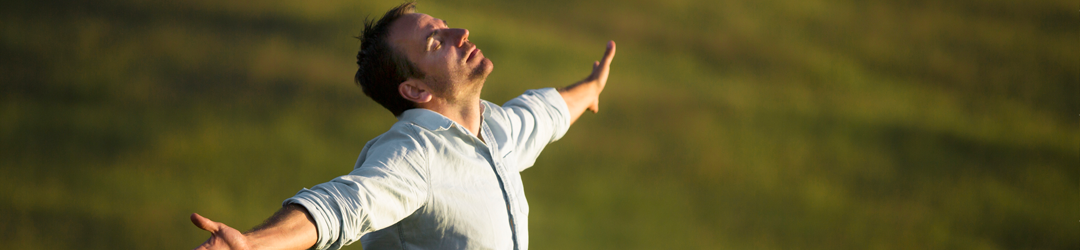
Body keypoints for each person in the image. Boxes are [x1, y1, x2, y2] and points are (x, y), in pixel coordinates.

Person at [189, 2, 615, 250]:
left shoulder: (494, 127)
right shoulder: (414, 155)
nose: (461, 34)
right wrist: (255, 245)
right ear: (414, 90)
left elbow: (542, 114)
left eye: (446, 27)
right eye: (437, 42)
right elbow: (345, 203)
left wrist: (590, 89)